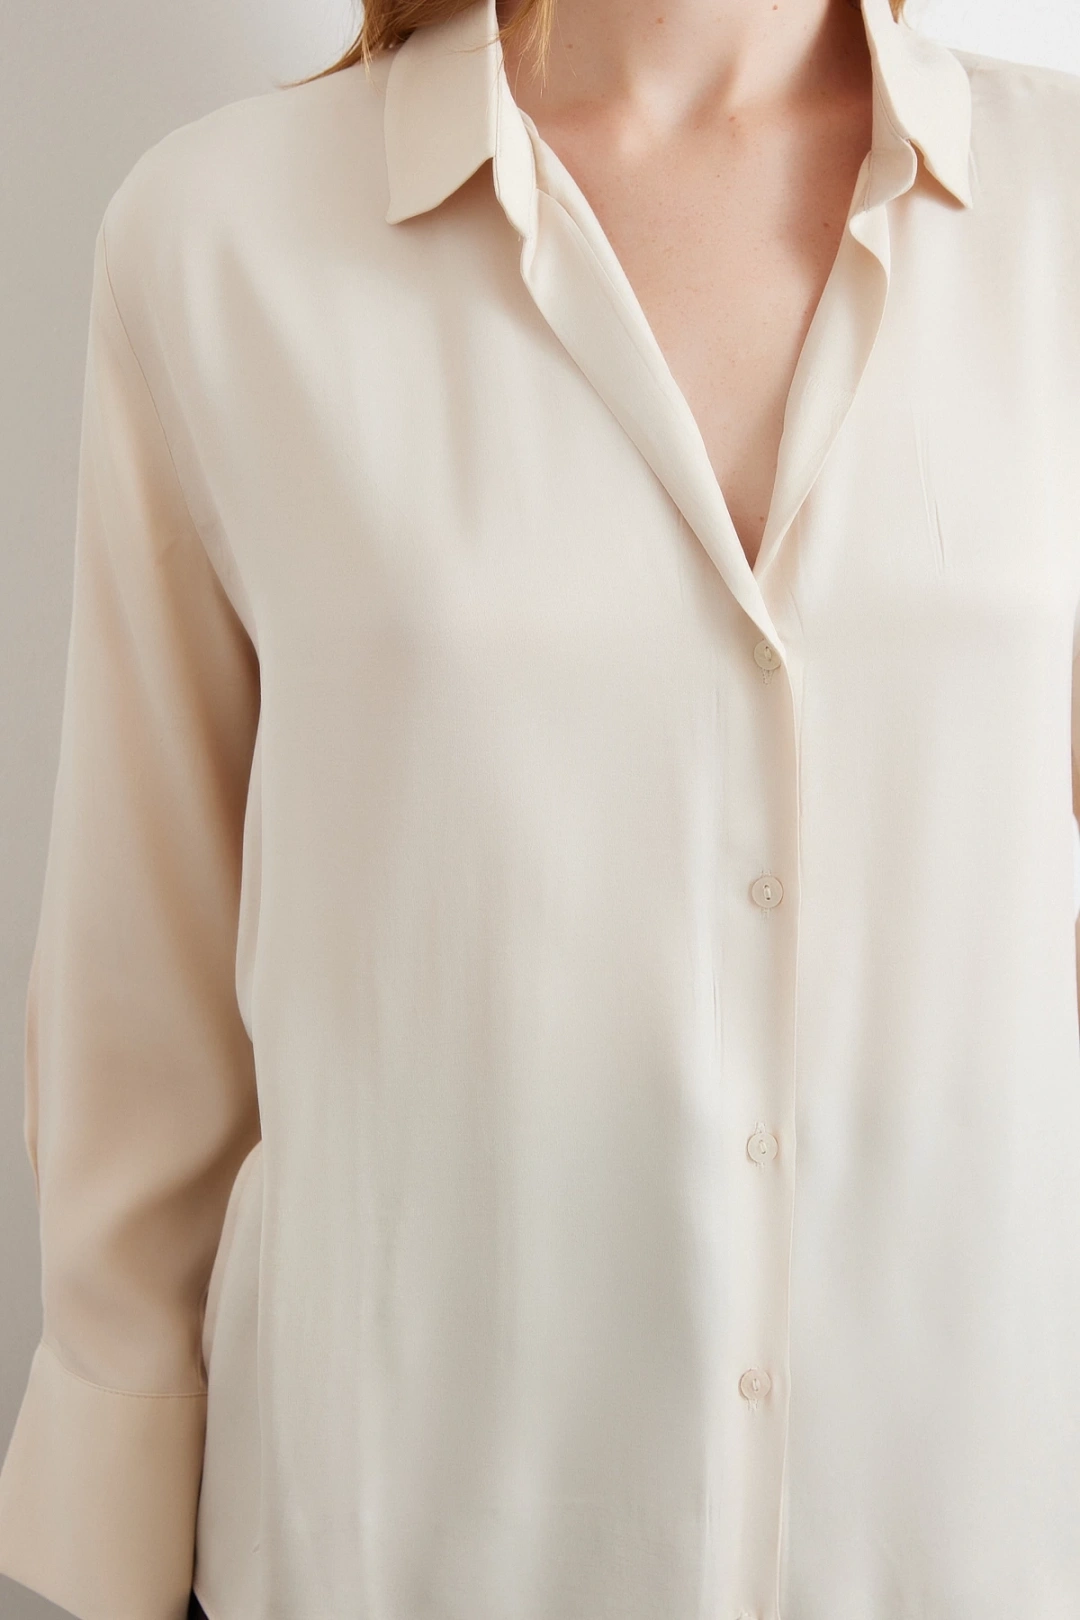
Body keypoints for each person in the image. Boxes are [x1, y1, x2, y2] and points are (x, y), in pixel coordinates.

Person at [2, 0, 1080, 1617]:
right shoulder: (221, 237)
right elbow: (140, 972)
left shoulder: (1059, 213)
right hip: (406, 1536)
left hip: (970, 1528)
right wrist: (114, 1527)